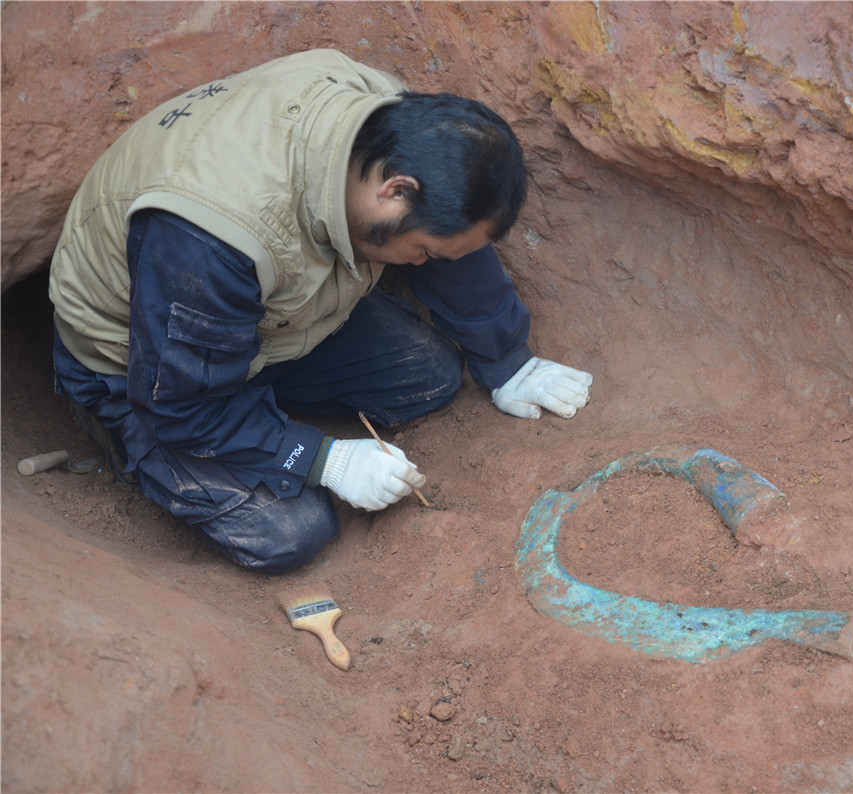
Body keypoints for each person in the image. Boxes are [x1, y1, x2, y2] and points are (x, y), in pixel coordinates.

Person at [48, 48, 593, 573]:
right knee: (290, 532)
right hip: (147, 370)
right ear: (394, 190)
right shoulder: (212, 238)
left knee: (428, 378)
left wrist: (507, 359)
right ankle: (116, 426)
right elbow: (181, 403)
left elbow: (450, 240)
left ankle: (251, 406)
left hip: (257, 323)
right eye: (422, 253)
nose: (425, 261)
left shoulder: (383, 118)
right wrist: (323, 458)